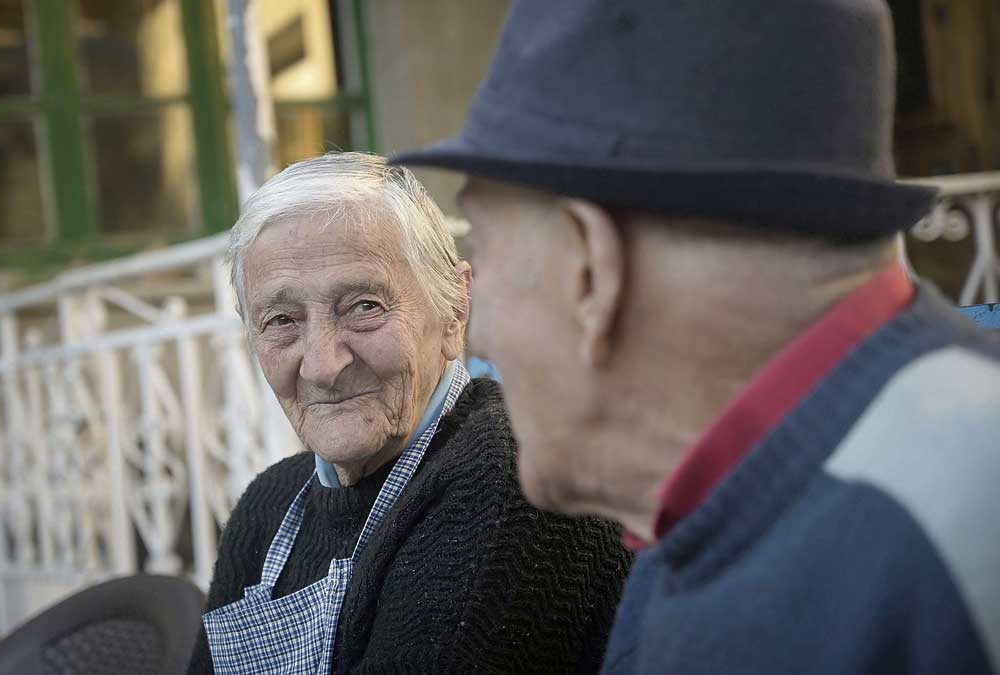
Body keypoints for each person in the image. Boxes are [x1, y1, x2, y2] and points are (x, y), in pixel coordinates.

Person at [392, 1, 1000, 673]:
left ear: (591, 266)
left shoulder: (947, 538)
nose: (479, 335)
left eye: (487, 249)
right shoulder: (715, 511)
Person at [187, 152, 632, 674]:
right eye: (282, 320)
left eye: (364, 307)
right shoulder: (268, 507)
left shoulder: (514, 477)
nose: (323, 365)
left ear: (454, 311)